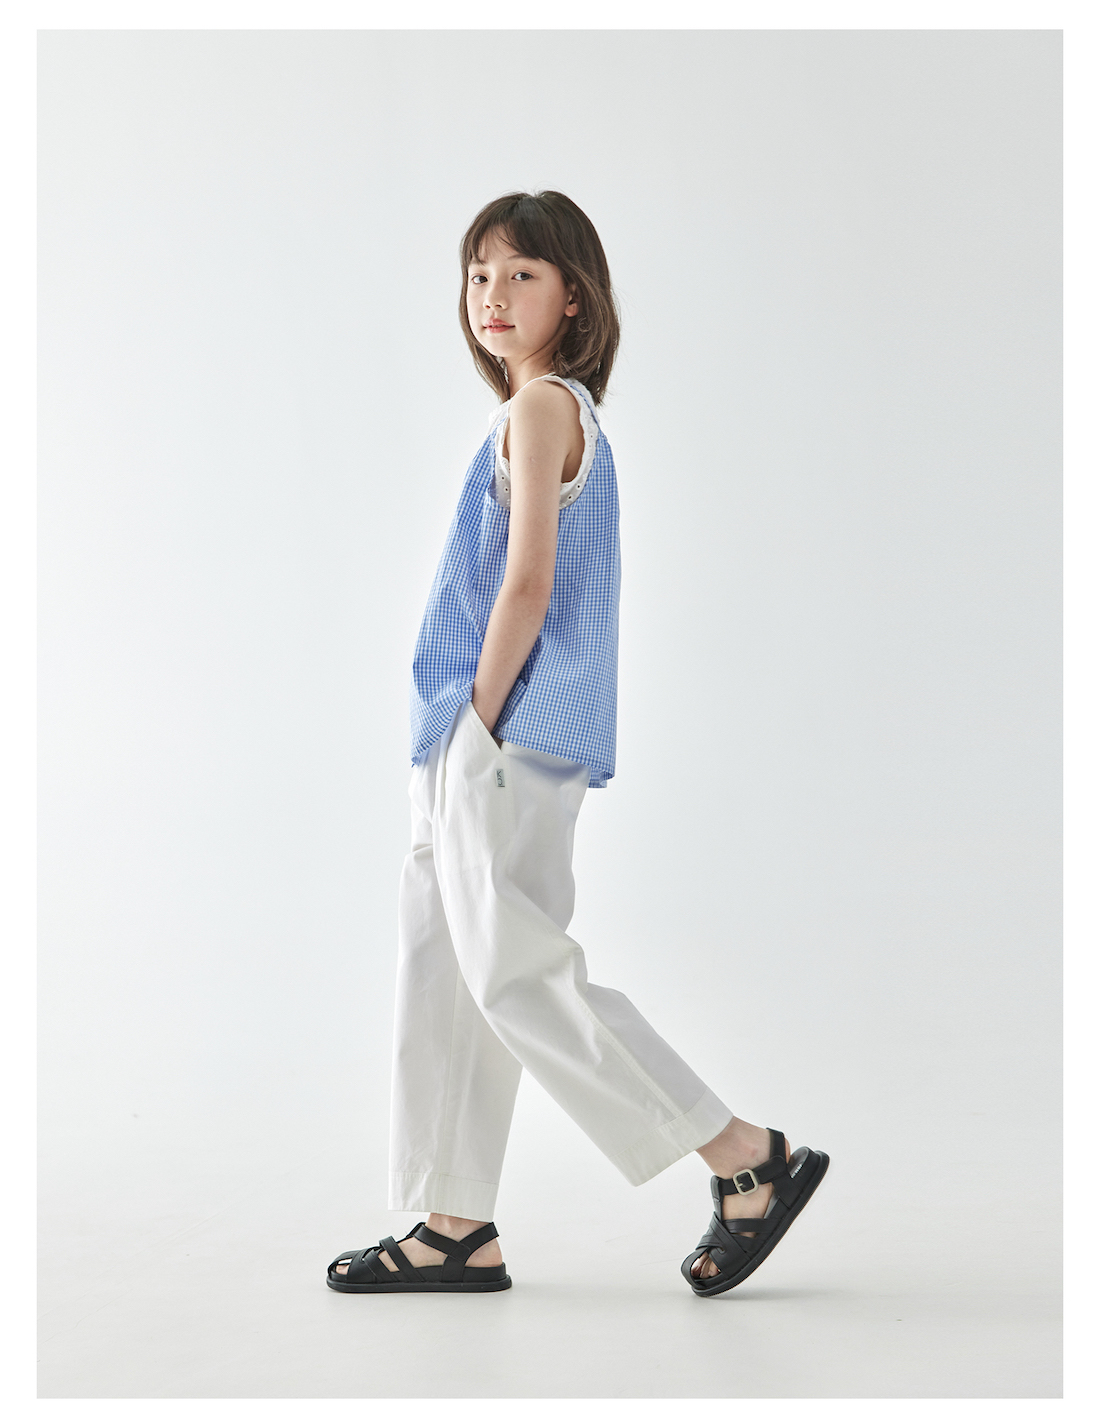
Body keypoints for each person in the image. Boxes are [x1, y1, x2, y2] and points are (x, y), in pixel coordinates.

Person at [326, 190, 828, 1298]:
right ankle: (455, 1225)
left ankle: (745, 1156)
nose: (493, 296)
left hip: (499, 728)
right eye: (478, 275)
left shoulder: (544, 407)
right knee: (450, 968)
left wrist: (478, 716)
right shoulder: (539, 410)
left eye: (522, 274)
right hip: (472, 732)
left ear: (574, 299)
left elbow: (528, 584)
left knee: (517, 973)